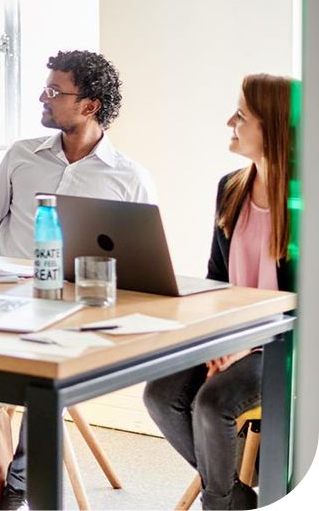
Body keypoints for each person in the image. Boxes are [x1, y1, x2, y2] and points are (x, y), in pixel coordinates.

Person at [0, 50, 156, 507]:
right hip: (0, 294)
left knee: (49, 374)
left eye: (54, 91)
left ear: (90, 106)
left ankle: (20, 486)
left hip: (70, 313)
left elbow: (137, 269)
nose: (41, 98)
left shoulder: (129, 179)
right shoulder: (21, 155)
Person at [143, 73, 296, 510]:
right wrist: (217, 337)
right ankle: (233, 499)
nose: (231, 121)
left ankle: (219, 502)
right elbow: (217, 279)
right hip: (233, 333)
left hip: (282, 342)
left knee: (213, 403)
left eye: (242, 115)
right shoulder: (231, 188)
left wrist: (241, 342)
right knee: (160, 393)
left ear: (274, 126)